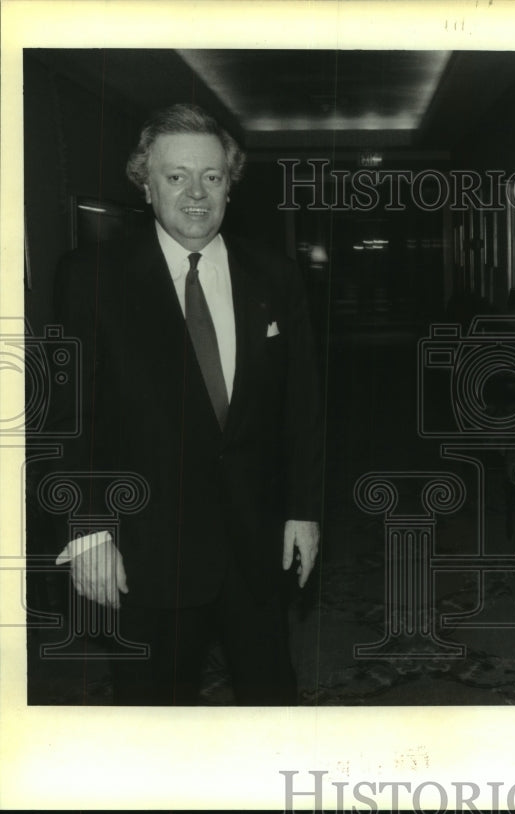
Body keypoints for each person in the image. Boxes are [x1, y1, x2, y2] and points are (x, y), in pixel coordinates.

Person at [48, 103, 324, 705]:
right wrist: (89, 532)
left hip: (255, 548)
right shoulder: (90, 277)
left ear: (230, 183)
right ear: (145, 184)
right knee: (156, 720)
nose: (196, 193)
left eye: (212, 177)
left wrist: (304, 508)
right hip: (147, 554)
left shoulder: (273, 274)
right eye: (176, 177)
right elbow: (68, 419)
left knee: (272, 702)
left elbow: (300, 405)